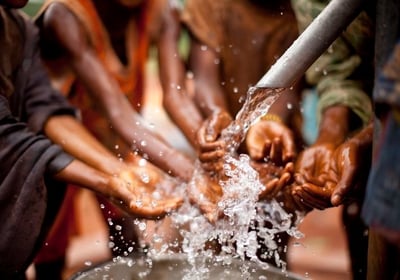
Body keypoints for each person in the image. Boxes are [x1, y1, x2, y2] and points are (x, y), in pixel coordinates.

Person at [33, 0, 222, 276]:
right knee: (50, 250)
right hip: (61, 149)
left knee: (128, 239)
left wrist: (212, 153)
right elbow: (118, 112)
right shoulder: (65, 15)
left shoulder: (161, 13)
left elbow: (175, 95)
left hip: (116, 144)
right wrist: (190, 173)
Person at [0, 0, 182, 278]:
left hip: (95, 145)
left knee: (125, 231)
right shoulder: (66, 15)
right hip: (53, 154)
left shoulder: (19, 31)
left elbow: (47, 110)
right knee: (50, 246)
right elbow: (10, 133)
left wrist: (117, 173)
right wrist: (108, 180)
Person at [164, 0, 304, 267]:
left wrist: (270, 122)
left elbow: (291, 87)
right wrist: (221, 119)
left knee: (269, 249)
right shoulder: (211, 5)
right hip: (220, 141)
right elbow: (204, 78)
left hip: (274, 148)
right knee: (212, 245)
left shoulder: (302, 13)